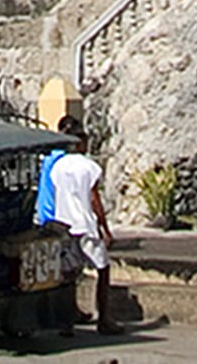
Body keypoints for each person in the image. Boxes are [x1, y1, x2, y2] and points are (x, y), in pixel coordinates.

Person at [44, 120, 121, 334]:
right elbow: (94, 198)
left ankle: (67, 322)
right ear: (80, 142)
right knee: (102, 268)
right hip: (84, 224)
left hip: (64, 225)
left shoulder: (58, 166)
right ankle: (104, 318)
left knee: (68, 275)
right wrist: (104, 228)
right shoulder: (89, 167)